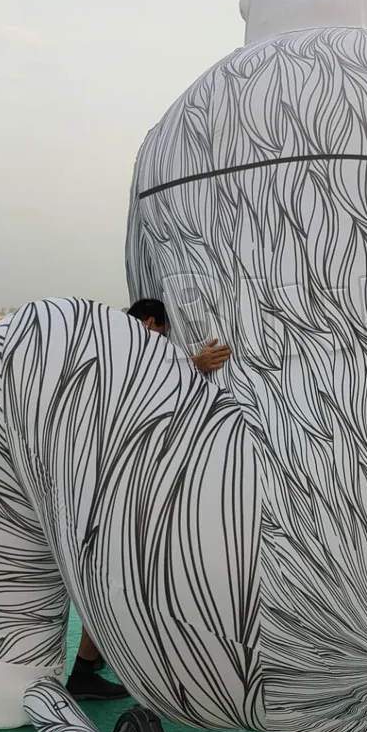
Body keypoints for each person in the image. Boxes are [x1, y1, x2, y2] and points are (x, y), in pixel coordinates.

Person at [65, 298, 233, 700]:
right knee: (118, 574)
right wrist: (195, 363)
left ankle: (95, 659)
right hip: (113, 484)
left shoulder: (109, 346)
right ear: (151, 323)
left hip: (105, 480)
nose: (163, 342)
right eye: (163, 333)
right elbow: (142, 387)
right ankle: (85, 670)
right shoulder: (129, 349)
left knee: (117, 572)